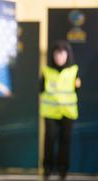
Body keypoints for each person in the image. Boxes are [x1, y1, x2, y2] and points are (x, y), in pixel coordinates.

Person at [40, 40, 81, 181]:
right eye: (56, 54)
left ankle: (63, 170)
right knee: (49, 140)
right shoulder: (46, 70)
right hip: (50, 112)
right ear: (52, 55)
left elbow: (78, 89)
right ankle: (47, 169)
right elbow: (40, 89)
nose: (59, 57)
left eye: (62, 54)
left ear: (67, 55)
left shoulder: (74, 70)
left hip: (68, 112)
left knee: (65, 141)